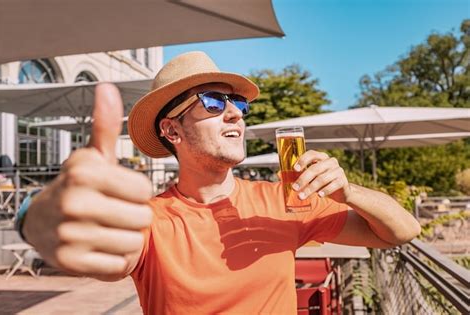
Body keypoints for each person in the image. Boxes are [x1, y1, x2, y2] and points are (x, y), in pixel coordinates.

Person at [21, 51, 421, 314]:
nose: (235, 114)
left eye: (238, 104)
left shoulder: (285, 200)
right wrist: (38, 219)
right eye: (213, 102)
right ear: (171, 130)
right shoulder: (151, 220)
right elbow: (110, 255)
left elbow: (402, 231)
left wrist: (349, 192)